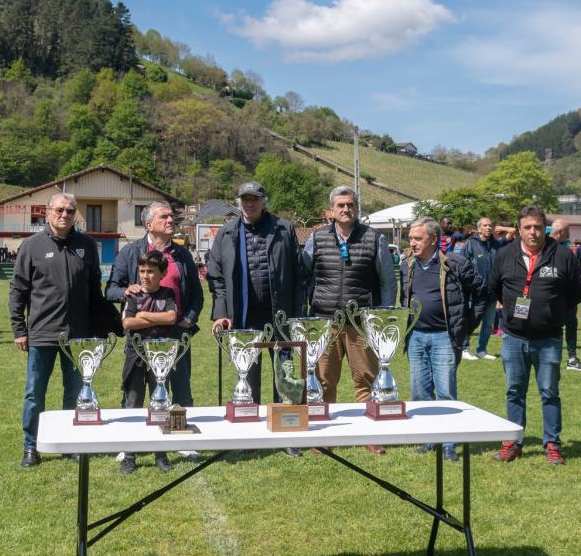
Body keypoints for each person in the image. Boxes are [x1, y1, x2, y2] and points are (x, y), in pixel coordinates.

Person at [10, 192, 119, 468]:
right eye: (59, 210)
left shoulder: (87, 246)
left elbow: (95, 291)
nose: (65, 215)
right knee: (35, 392)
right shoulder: (32, 246)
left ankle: (70, 442)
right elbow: (18, 290)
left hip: (79, 336)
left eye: (70, 211)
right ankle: (31, 446)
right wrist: (19, 329)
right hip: (42, 333)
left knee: (75, 391)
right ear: (48, 213)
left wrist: (102, 325)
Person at [302, 185, 397, 455]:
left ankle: (371, 435)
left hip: (360, 323)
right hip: (325, 322)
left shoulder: (374, 238)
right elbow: (304, 274)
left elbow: (387, 282)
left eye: (351, 205)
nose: (346, 209)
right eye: (341, 205)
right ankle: (321, 437)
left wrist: (383, 320)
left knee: (366, 379)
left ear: (357, 208)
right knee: (323, 382)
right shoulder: (317, 238)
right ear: (331, 210)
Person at [489, 205, 581, 465]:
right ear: (519, 229)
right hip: (513, 337)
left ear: (546, 229)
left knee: (549, 392)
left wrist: (554, 313)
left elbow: (577, 291)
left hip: (548, 338)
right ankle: (513, 441)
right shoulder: (504, 255)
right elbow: (495, 287)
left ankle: (552, 444)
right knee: (514, 391)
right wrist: (509, 310)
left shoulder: (563, 256)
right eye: (527, 227)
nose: (533, 232)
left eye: (538, 227)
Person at [207, 182, 306, 407]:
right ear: (239, 203)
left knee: (285, 375)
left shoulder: (284, 229)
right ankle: (250, 434)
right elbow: (217, 277)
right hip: (244, 318)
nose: (249, 204)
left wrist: (299, 314)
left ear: (264, 201)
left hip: (279, 316)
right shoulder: (227, 232)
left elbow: (299, 276)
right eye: (245, 200)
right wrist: (221, 314)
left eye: (254, 199)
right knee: (247, 378)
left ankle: (287, 428)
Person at [106, 201, 202, 410]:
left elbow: (197, 294)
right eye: (164, 217)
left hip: (176, 333)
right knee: (134, 396)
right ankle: (132, 441)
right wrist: (126, 291)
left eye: (171, 216)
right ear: (149, 225)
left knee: (181, 393)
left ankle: (184, 442)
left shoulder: (182, 255)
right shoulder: (131, 252)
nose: (171, 220)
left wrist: (188, 320)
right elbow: (111, 289)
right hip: (140, 336)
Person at [402, 217, 483, 462]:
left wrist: (466, 326)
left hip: (444, 338)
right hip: (415, 336)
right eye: (410, 238)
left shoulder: (456, 263)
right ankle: (429, 439)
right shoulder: (408, 264)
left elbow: (481, 294)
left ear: (433, 239)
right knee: (419, 392)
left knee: (446, 392)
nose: (412, 243)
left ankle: (449, 443)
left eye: (418, 238)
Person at [119, 250, 179, 475]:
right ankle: (129, 455)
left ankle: (160, 453)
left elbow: (171, 317)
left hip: (160, 359)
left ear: (162, 273)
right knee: (132, 405)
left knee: (160, 405)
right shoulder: (133, 295)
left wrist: (143, 316)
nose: (145, 276)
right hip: (135, 357)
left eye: (151, 272)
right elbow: (126, 323)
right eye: (142, 271)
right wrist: (145, 318)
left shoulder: (167, 294)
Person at [459, 216, 515, 361]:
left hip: (492, 292)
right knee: (471, 321)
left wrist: (501, 228)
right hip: (475, 291)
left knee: (488, 324)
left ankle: (481, 350)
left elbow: (513, 231)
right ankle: (464, 348)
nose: (489, 228)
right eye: (485, 225)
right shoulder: (471, 244)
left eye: (490, 225)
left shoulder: (496, 244)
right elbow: (461, 264)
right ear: (479, 228)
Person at [547, 218, 581, 371]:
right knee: (551, 327)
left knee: (570, 326)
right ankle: (549, 358)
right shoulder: (541, 248)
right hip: (550, 299)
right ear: (562, 232)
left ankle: (571, 359)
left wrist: (574, 298)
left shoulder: (565, 250)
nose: (569, 235)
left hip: (566, 299)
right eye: (568, 231)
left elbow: (575, 277)